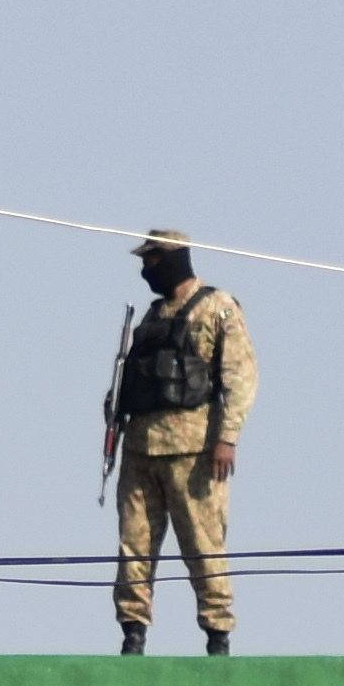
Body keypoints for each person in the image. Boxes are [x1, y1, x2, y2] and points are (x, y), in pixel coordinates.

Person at [106, 230, 254, 653]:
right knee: (134, 548)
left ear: (172, 259)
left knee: (203, 546)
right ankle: (133, 632)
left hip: (194, 453)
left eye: (151, 260)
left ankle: (217, 634)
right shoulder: (152, 315)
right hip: (140, 450)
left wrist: (227, 438)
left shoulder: (217, 307)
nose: (145, 269)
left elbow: (241, 378)